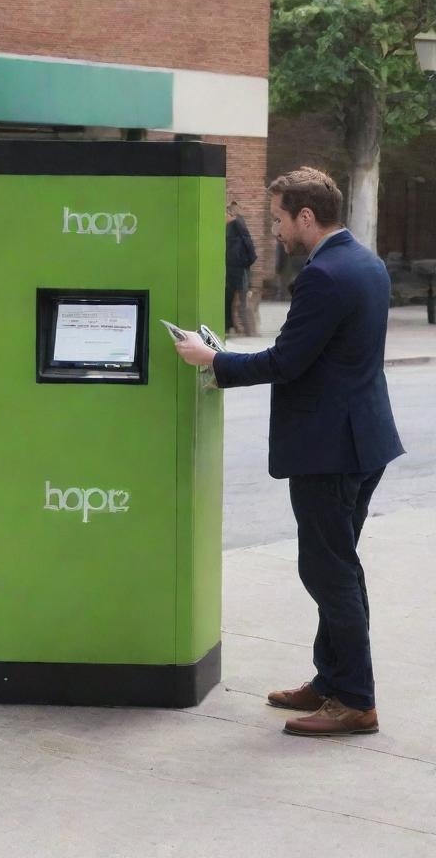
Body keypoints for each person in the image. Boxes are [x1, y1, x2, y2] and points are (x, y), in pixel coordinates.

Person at [174, 167, 404, 737]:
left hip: (331, 447)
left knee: (329, 571)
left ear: (306, 216)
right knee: (338, 567)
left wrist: (214, 363)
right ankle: (332, 680)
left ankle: (354, 699)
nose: (273, 230)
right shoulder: (366, 262)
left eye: (278, 218)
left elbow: (286, 361)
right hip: (362, 438)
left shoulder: (323, 275)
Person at [225, 201, 256, 334]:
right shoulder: (231, 226)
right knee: (230, 298)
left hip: (239, 267)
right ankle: (232, 326)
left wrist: (248, 260)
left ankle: (249, 330)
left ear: (230, 213)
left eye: (225, 213)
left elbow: (247, 242)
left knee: (242, 300)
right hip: (234, 267)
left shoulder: (236, 224)